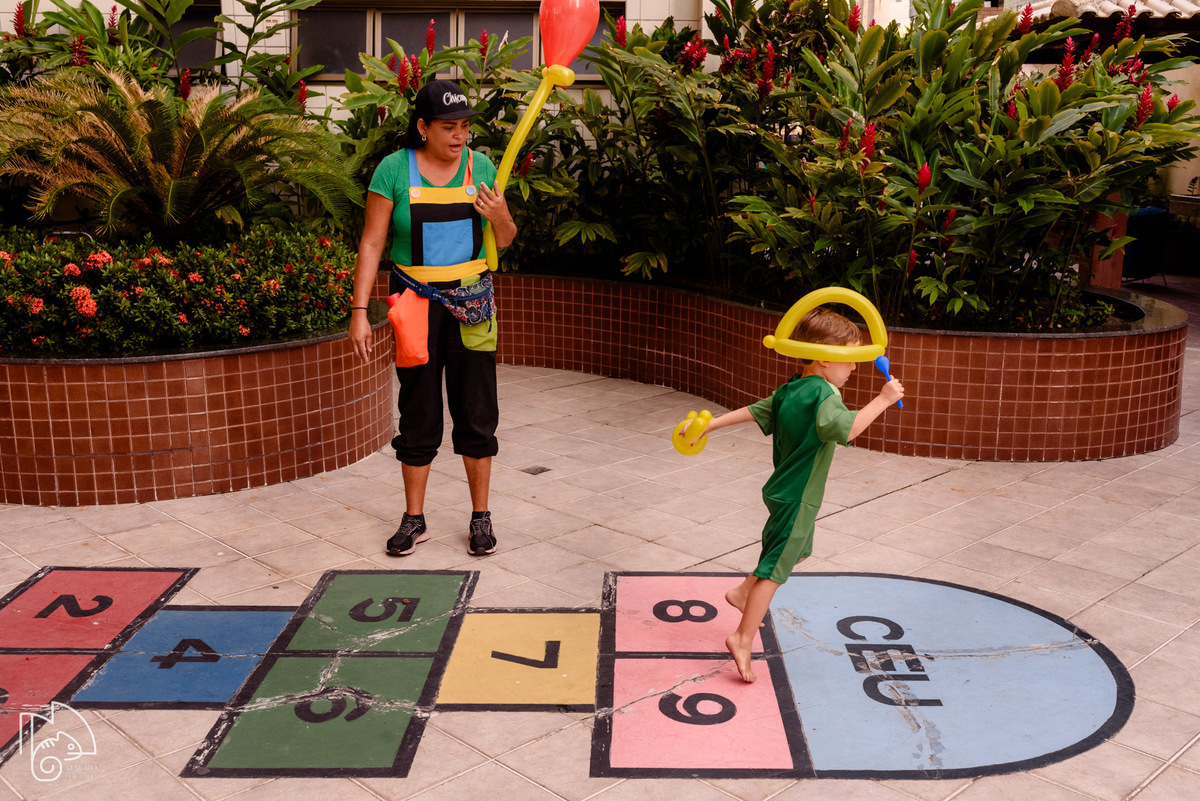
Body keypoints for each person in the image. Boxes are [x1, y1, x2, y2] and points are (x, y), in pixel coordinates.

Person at [682, 307, 904, 682]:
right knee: (777, 569)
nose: (854, 368)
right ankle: (742, 637)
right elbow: (848, 429)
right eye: (849, 359)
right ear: (822, 358)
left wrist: (710, 426)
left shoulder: (794, 388)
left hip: (783, 490)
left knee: (794, 551)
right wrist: (882, 400)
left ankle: (742, 592)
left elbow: (756, 410)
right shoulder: (824, 395)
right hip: (799, 494)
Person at [348, 80, 517, 558]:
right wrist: (360, 311)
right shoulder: (393, 171)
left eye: (465, 126)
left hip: (472, 304)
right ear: (422, 127)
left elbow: (503, 240)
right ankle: (413, 518)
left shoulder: (481, 167)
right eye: (449, 127)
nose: (460, 136)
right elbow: (372, 243)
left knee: (477, 414)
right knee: (418, 412)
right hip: (414, 305)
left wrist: (501, 215)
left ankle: (480, 518)